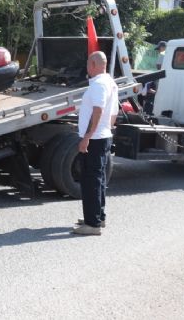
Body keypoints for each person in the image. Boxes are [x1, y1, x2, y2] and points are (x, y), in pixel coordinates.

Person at [73, 51, 118, 236]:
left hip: (96, 139)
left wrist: (88, 136)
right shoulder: (110, 82)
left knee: (91, 181)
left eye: (87, 64)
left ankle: (92, 225)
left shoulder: (99, 84)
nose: (87, 68)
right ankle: (98, 216)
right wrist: (105, 130)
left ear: (93, 64)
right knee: (97, 180)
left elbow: (98, 110)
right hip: (103, 136)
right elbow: (113, 113)